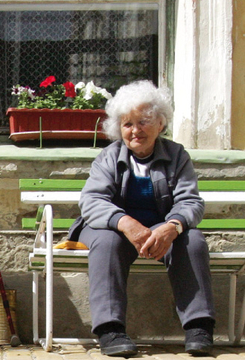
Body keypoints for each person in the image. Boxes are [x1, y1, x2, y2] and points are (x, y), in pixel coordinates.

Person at [75, 80, 214, 357]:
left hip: (160, 229)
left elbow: (190, 201)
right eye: (128, 124)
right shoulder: (108, 157)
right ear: (119, 129)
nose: (135, 130)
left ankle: (199, 327)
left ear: (160, 124)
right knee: (106, 241)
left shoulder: (177, 155)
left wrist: (171, 228)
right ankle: (110, 330)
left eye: (144, 121)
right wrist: (126, 223)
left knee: (193, 240)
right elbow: (91, 201)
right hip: (111, 228)